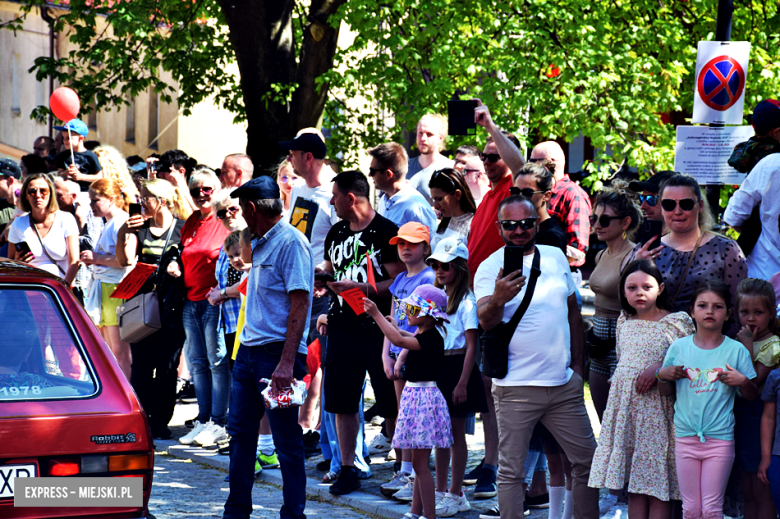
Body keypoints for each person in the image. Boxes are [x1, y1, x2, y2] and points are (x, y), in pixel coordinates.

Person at [474, 193, 597, 519]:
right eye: (510, 225)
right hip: (515, 389)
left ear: (536, 224)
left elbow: (573, 312)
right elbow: (486, 321)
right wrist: (499, 297)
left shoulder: (555, 257)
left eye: (526, 223)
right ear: (499, 227)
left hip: (563, 387)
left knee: (588, 463)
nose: (518, 230)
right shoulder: (489, 267)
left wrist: (577, 368)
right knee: (512, 473)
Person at [222, 176, 314, 519]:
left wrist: (287, 362)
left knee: (286, 442)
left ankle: (293, 514)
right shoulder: (259, 241)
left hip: (276, 355)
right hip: (248, 353)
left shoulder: (291, 242)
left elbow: (300, 303)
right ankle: (236, 512)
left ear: (251, 208)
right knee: (240, 437)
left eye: (243, 211)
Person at [319, 170, 405, 495]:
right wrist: (321, 282)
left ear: (350, 198)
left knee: (389, 402)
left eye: (335, 196)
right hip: (342, 327)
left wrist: (364, 287)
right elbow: (330, 270)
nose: (331, 202)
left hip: (378, 328)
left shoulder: (385, 232)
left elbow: (399, 282)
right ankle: (347, 467)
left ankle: (402, 467)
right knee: (341, 401)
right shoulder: (337, 233)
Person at [589, 260, 695, 519]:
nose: (639, 292)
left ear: (659, 288)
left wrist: (659, 366)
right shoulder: (624, 322)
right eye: (632, 287)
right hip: (628, 413)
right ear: (623, 292)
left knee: (658, 485)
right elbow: (623, 358)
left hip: (657, 414)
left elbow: (688, 359)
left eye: (646, 286)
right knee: (635, 484)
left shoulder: (676, 323)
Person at [658, 280, 758, 519]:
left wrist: (743, 381)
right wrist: (662, 375)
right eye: (703, 305)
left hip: (720, 440)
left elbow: (752, 395)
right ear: (692, 311)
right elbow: (666, 392)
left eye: (718, 306)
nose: (710, 311)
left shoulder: (736, 351)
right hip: (685, 438)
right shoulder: (679, 348)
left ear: (728, 314)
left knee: (712, 509)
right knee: (691, 509)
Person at [465, 102, 522, 507]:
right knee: (487, 387)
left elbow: (518, 165)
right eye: (483, 156)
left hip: (508, 302)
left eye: (492, 155)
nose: (487, 161)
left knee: (500, 387)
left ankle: (504, 464)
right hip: (482, 300)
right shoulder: (486, 197)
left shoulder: (513, 191)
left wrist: (491, 125)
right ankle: (489, 457)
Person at [364, 284, 453, 519]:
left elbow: (400, 340)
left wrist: (376, 315)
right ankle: (415, 512)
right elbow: (403, 336)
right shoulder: (425, 335)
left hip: (423, 399)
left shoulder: (431, 338)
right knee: (417, 465)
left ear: (428, 313)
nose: (409, 313)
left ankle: (429, 516)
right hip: (416, 398)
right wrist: (393, 327)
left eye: (414, 309)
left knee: (421, 465)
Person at [117, 178, 187, 440]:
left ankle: (160, 421)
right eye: (142, 197)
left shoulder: (181, 228)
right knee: (142, 366)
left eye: (147, 198)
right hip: (143, 306)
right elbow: (124, 260)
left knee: (168, 366)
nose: (142, 202)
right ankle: (142, 419)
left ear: (163, 201)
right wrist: (124, 232)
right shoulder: (140, 228)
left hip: (172, 306)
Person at [281, 128, 338, 449]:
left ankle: (313, 426)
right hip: (296, 287)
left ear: (308, 157)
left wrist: (326, 275)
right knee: (297, 357)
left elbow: (344, 241)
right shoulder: (300, 191)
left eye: (293, 154)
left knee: (318, 360)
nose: (289, 159)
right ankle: (297, 424)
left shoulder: (334, 192)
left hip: (322, 294)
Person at [629, 174, 747, 326]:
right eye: (669, 204)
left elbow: (738, 308)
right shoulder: (644, 249)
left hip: (707, 344)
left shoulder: (726, 250)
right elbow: (627, 303)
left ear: (700, 206)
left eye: (686, 204)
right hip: (656, 343)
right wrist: (636, 268)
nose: (677, 211)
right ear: (662, 208)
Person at [427, 237, 488, 518]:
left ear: (460, 269)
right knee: (439, 435)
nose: (439, 271)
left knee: (455, 436)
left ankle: (455, 492)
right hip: (439, 367)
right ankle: (440, 490)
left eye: (446, 266)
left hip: (458, 367)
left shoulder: (466, 302)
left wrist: (463, 382)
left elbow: (472, 345)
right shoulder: (438, 300)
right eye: (436, 265)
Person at [173, 168, 231, 447]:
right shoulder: (191, 221)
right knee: (197, 363)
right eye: (195, 191)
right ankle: (204, 418)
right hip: (190, 300)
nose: (201, 195)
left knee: (216, 361)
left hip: (214, 300)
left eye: (207, 189)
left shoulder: (224, 219)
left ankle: (219, 422)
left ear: (217, 189)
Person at [380, 222, 436, 502]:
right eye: (401, 244)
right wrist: (385, 352)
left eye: (412, 244)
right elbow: (392, 317)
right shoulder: (400, 279)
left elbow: (422, 325)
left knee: (413, 418)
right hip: (396, 350)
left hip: (414, 353)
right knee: (403, 416)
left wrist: (401, 354)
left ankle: (414, 473)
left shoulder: (428, 279)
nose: (405, 249)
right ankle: (404, 470)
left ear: (426, 247)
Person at [587, 180, 644, 420]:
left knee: (621, 422)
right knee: (603, 420)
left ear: (625, 223)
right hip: (598, 341)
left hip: (621, 343)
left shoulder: (634, 255)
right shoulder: (601, 254)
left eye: (605, 219)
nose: (598, 225)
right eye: (594, 218)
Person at [734, 279, 780, 519]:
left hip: (758, 418)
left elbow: (753, 381)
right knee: (747, 490)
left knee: (762, 488)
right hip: (737, 418)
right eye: (745, 312)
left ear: (772, 312)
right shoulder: (739, 340)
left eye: (758, 312)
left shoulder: (773, 345)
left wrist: (748, 345)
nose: (751, 319)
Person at [81, 179, 132, 379]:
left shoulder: (120, 221)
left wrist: (96, 258)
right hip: (106, 287)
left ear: (111, 199)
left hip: (115, 288)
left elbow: (126, 260)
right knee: (109, 351)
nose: (92, 205)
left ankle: (126, 399)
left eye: (96, 200)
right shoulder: (111, 221)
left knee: (119, 352)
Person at [723, 101, 780, 279]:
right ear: (777, 132)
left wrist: (759, 231)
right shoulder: (771, 162)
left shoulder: (768, 163)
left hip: (764, 272)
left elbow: (732, 216)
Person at [529, 141, 592, 271]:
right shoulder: (536, 192)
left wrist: (540, 256)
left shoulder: (573, 194)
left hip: (561, 273)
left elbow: (578, 251)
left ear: (549, 162)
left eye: (532, 161)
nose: (529, 165)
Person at [8, 173, 79, 285]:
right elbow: (11, 263)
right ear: (26, 195)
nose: (38, 195)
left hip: (58, 289)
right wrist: (18, 262)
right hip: (30, 288)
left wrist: (64, 288)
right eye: (32, 191)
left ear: (50, 193)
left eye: (43, 191)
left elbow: (74, 262)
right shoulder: (18, 224)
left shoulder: (66, 219)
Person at [206, 192, 247, 366]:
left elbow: (250, 281)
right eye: (222, 213)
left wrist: (222, 293)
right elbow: (227, 279)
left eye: (232, 208)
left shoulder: (250, 239)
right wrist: (215, 292)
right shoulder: (226, 245)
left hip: (245, 321)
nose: (228, 215)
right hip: (230, 322)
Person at [370, 142, 438, 235]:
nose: (370, 175)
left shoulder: (417, 207)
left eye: (372, 171)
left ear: (388, 174)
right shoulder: (384, 201)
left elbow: (431, 244)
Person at [512, 161, 566, 253]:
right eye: (515, 191)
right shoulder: (517, 226)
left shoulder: (552, 236)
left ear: (546, 195)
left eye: (527, 192)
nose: (520, 197)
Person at [407, 114, 456, 204]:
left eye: (429, 134)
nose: (423, 138)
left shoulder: (451, 169)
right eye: (420, 133)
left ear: (440, 138)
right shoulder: (404, 167)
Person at [428, 168, 477, 250]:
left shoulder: (473, 225)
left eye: (439, 199)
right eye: (434, 200)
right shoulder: (445, 221)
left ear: (457, 195)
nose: (436, 206)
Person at [53, 119, 103, 192]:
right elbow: (59, 174)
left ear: (81, 138)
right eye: (63, 138)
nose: (65, 141)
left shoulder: (91, 156)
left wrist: (81, 177)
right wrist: (65, 173)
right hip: (67, 192)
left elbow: (99, 177)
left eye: (68, 138)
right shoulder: (63, 155)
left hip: (85, 192)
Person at [158, 149, 198, 214]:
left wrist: (180, 185)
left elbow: (199, 215)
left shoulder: (197, 191)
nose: (160, 174)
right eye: (160, 170)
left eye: (166, 170)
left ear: (181, 171)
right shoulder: (166, 192)